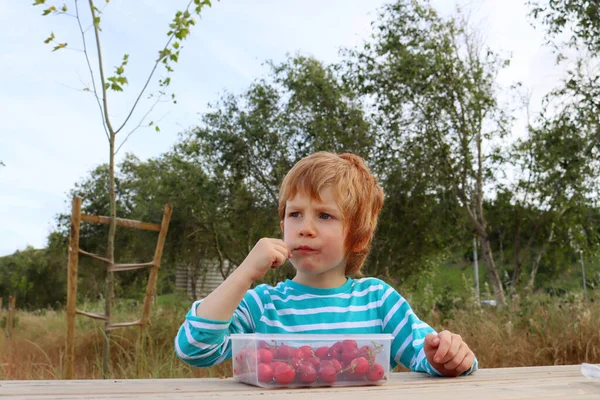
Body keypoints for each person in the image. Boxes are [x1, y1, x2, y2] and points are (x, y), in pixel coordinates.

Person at [175, 152, 477, 377]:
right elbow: (194, 349)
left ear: (357, 237)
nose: (305, 227)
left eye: (324, 215)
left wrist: (448, 357)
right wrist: (244, 273)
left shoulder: (378, 301)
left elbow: (427, 357)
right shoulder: (261, 305)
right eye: (295, 214)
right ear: (282, 225)